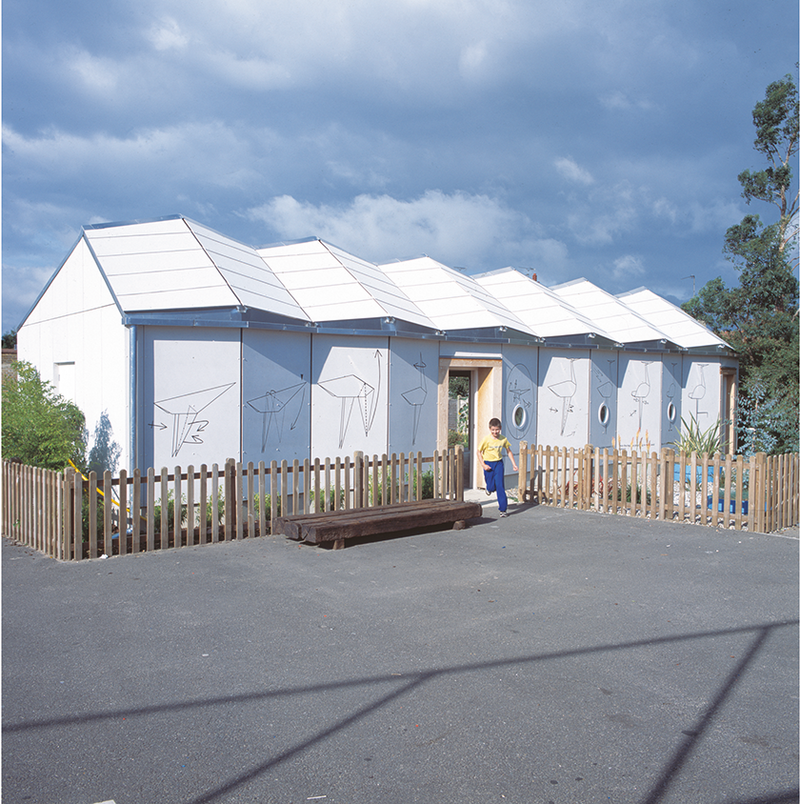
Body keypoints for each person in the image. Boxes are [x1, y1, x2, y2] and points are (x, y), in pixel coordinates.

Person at [478, 417, 518, 517]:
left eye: (497, 430)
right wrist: (483, 464)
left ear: (500, 428)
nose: (495, 432)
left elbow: (509, 451)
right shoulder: (486, 440)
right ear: (489, 429)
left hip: (498, 464)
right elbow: (478, 452)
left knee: (500, 486)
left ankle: (503, 510)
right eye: (493, 430)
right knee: (491, 486)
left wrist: (514, 464)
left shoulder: (503, 439)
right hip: (488, 464)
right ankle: (489, 488)